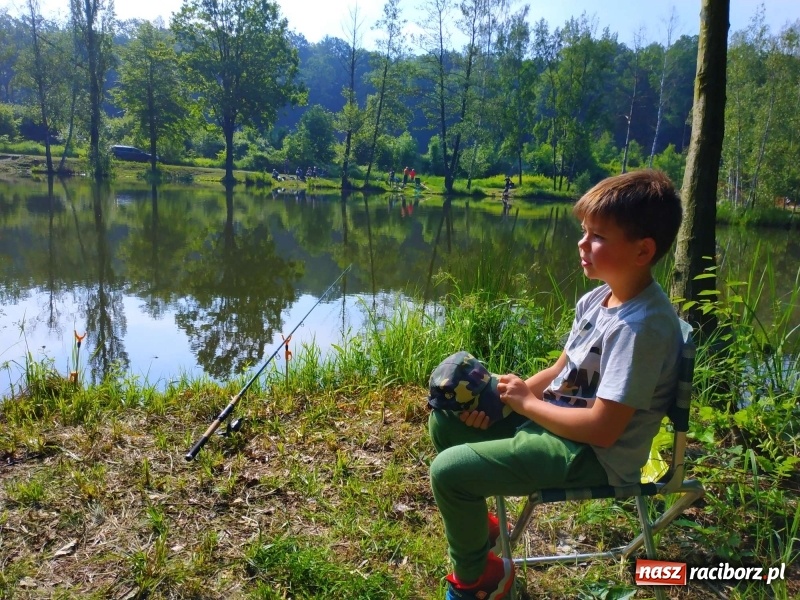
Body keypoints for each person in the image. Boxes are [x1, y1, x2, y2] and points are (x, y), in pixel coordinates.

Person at [429, 169, 684, 600]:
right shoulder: (598, 297)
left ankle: (480, 579)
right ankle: (482, 527)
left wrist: (527, 405)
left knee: (450, 473)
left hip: (591, 455)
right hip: (555, 426)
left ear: (643, 251)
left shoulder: (641, 329)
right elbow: (562, 369)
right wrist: (511, 397)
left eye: (598, 237)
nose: (582, 244)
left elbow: (604, 429)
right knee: (447, 423)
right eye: (584, 232)